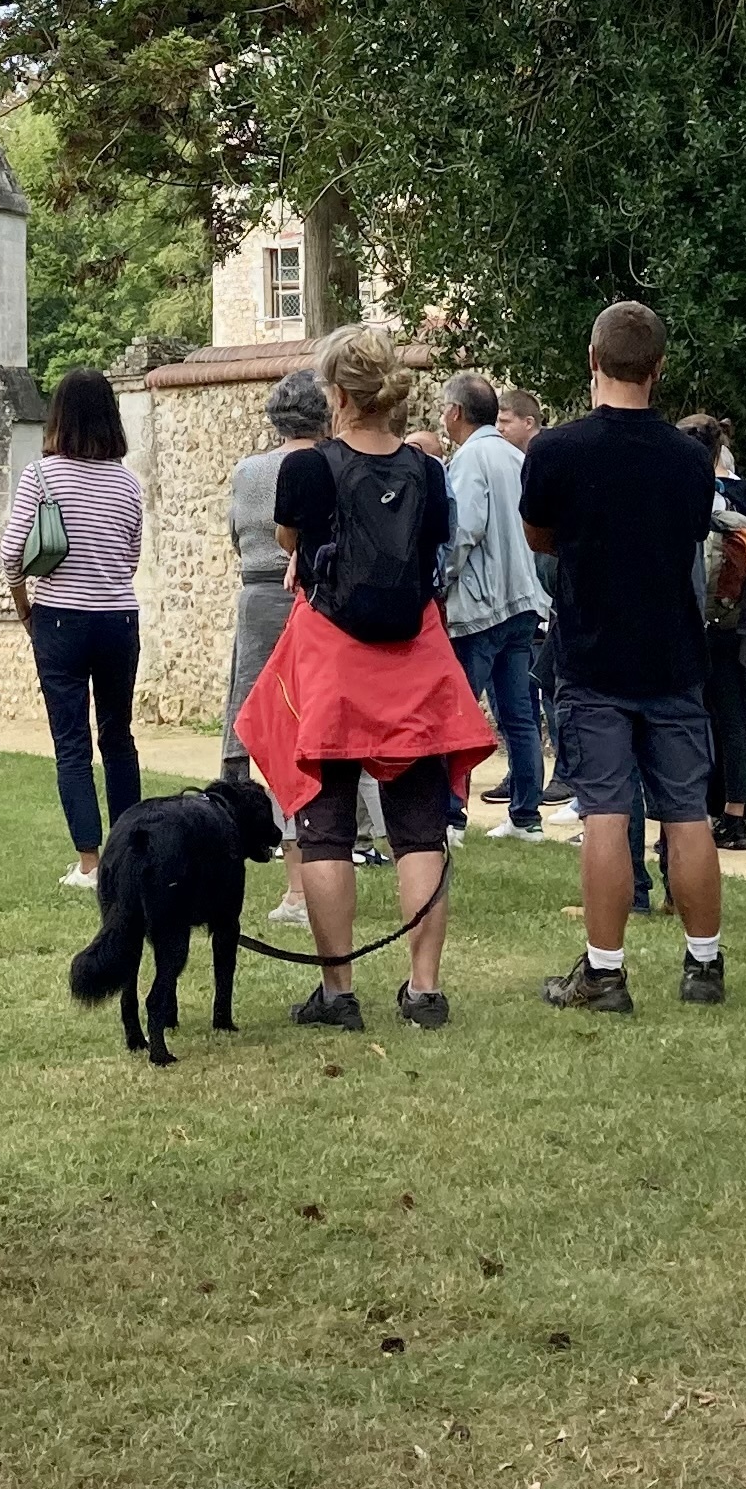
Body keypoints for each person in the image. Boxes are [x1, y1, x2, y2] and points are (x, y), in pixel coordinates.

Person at [234, 322, 494, 1030]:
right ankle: (424, 990)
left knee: (324, 825)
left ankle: (339, 991)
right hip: (413, 657)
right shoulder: (427, 470)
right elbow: (433, 548)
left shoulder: (309, 466)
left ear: (337, 394)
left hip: (333, 658)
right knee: (419, 829)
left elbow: (290, 541)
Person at [522, 300, 736, 1011]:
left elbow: (540, 537)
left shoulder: (557, 449)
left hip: (592, 649)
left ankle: (605, 970)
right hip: (672, 649)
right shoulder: (687, 458)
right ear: (659, 367)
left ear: (593, 360)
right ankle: (704, 964)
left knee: (606, 812)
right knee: (686, 813)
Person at [9, 369, 145, 894]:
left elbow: (11, 555)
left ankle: (89, 862)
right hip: (119, 618)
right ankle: (132, 851)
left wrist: (26, 611)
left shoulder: (42, 476)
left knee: (72, 743)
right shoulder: (128, 481)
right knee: (119, 736)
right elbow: (130, 559)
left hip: (60, 618)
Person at [440, 373, 556, 840]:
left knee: (460, 713)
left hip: (481, 605)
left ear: (457, 413)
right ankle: (526, 815)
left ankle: (451, 815)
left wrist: (439, 580)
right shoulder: (516, 456)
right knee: (519, 715)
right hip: (523, 600)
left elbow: (462, 531)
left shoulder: (470, 459)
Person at [220, 371, 333, 791]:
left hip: (259, 592)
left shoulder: (247, 471)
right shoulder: (330, 461)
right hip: (315, 592)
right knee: (321, 698)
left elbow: (237, 533)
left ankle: (234, 784)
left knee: (246, 691)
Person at [679, 416, 746, 851]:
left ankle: (696, 809)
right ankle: (737, 817)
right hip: (738, 625)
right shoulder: (745, 497)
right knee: (736, 721)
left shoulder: (679, 498)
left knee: (690, 719)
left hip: (689, 625)